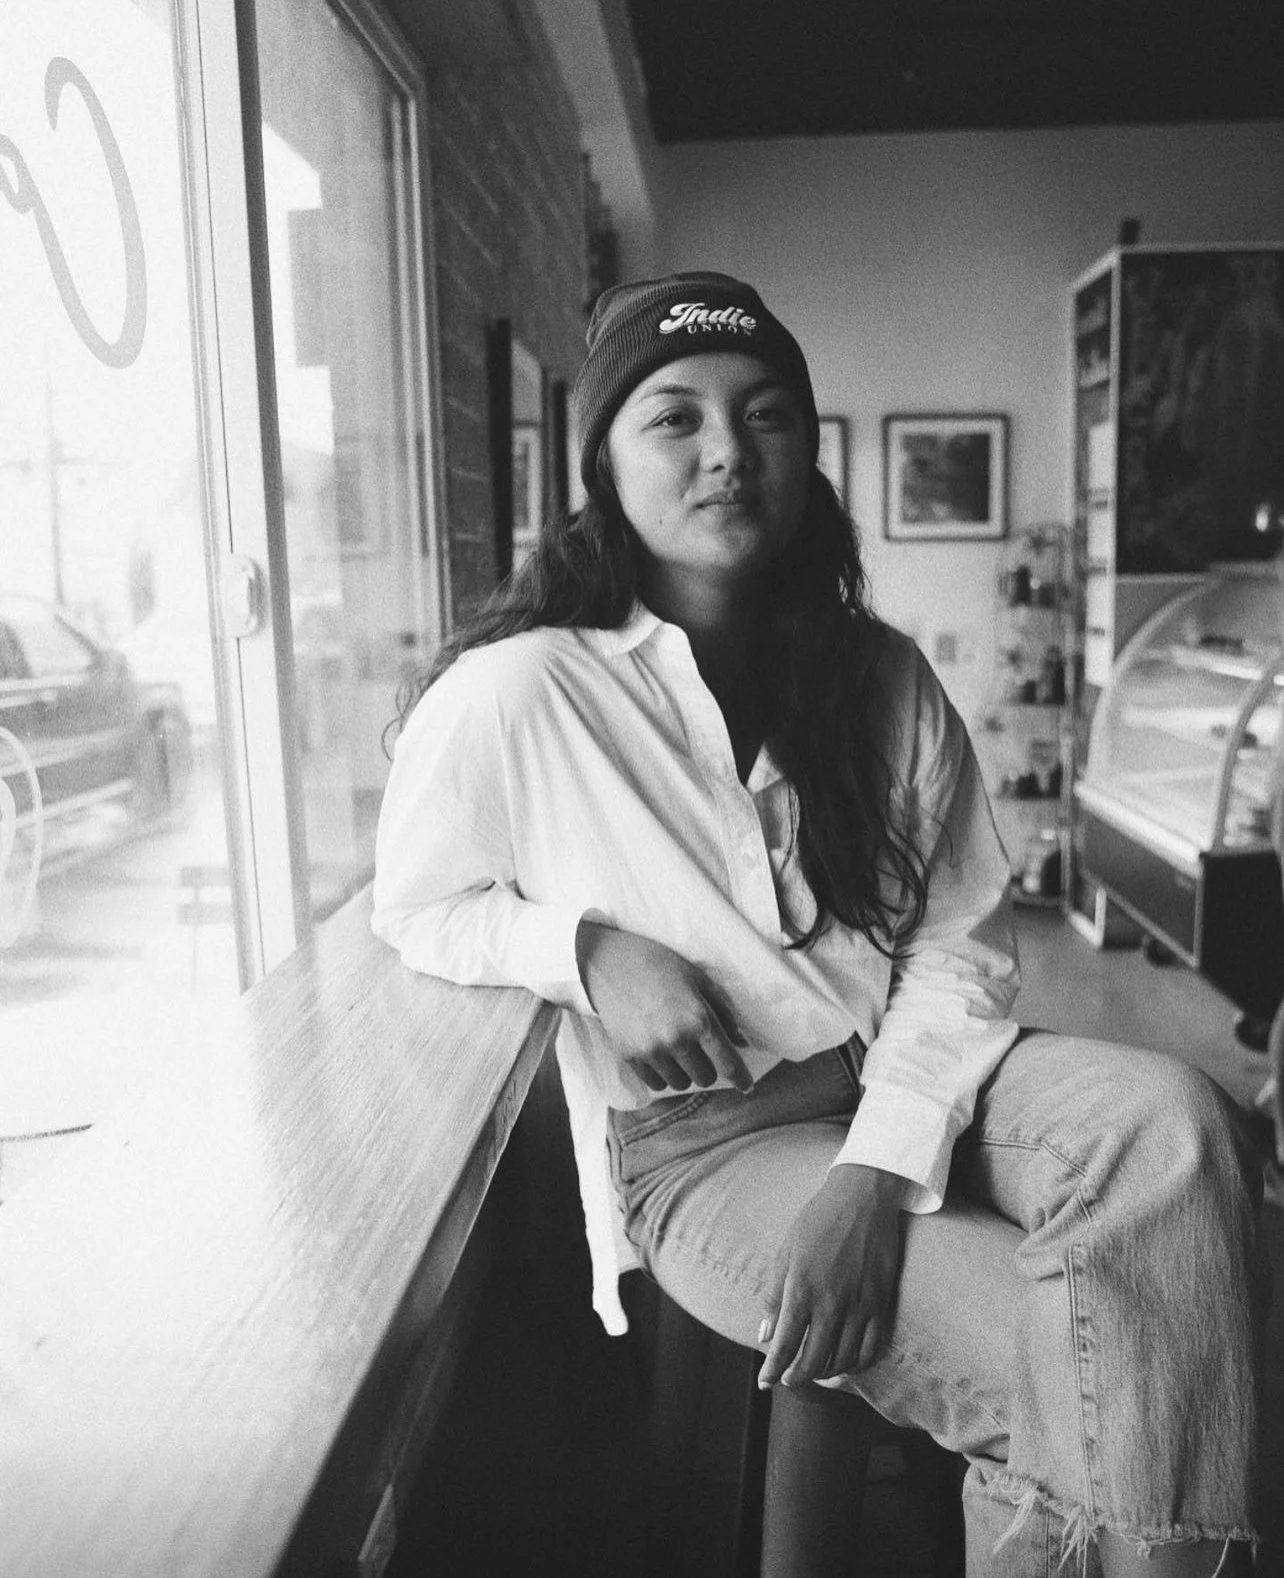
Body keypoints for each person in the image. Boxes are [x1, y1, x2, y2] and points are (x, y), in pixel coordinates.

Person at [371, 272, 1263, 1577]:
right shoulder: (519, 695)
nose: (728, 450)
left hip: (894, 1074)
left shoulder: (879, 678)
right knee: (1079, 1364)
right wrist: (580, 949)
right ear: (605, 464)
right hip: (707, 1146)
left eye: (766, 413)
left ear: (806, 448)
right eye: (674, 418)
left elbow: (960, 941)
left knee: (1179, 1124)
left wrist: (871, 1172)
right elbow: (415, 903)